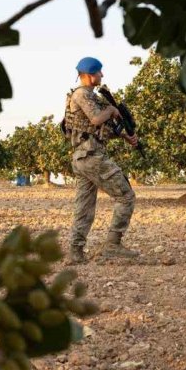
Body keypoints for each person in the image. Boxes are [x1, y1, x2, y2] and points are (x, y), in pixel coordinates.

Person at [63, 57, 139, 264]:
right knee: (126, 196)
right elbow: (96, 119)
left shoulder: (90, 96)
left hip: (83, 157)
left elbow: (95, 129)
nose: (102, 75)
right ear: (89, 75)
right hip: (91, 156)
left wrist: (125, 136)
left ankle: (76, 252)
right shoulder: (81, 94)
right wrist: (112, 110)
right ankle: (113, 245)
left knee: (84, 206)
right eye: (98, 72)